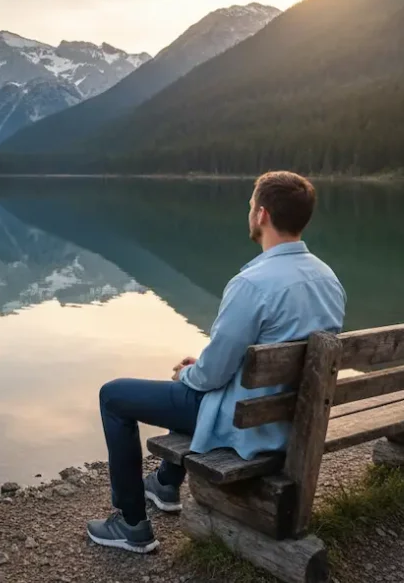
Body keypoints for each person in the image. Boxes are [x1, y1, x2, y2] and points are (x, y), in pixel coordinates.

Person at [85, 171, 346, 554]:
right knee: (191, 383)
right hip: (294, 420)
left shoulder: (252, 283)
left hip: (247, 424)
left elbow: (211, 375)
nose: (250, 213)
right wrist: (201, 370)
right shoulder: (328, 279)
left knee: (115, 396)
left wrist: (188, 371)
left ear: (262, 215)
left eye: (249, 206)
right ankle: (165, 484)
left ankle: (131, 523)